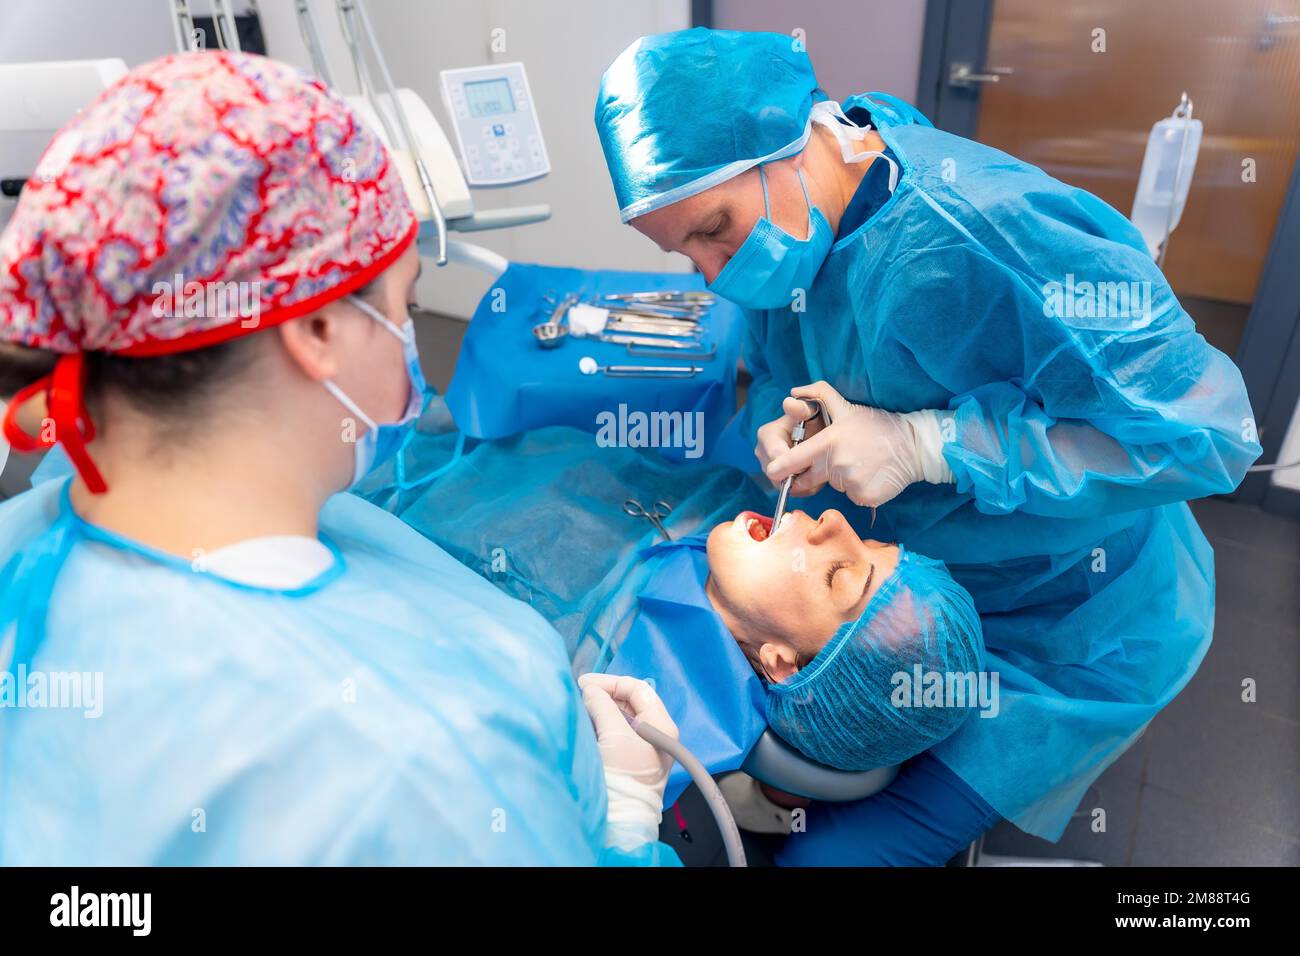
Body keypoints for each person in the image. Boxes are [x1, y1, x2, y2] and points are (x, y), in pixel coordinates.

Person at [595, 28, 1262, 863]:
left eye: (715, 230)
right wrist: (784, 412)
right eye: (684, 250)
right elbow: (785, 358)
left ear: (789, 139)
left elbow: (1208, 435)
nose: (713, 273)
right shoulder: (805, 219)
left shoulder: (985, 232)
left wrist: (934, 444)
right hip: (914, 586)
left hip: (1068, 621)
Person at [0, 50, 679, 866]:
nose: (411, 343)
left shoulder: (32, 542)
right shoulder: (419, 771)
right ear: (318, 330)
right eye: (407, 305)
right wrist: (630, 826)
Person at [359, 413, 987, 822]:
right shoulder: (732, 519)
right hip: (438, 441)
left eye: (837, 575)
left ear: (779, 662)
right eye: (873, 545)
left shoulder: (627, 712)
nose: (833, 523)